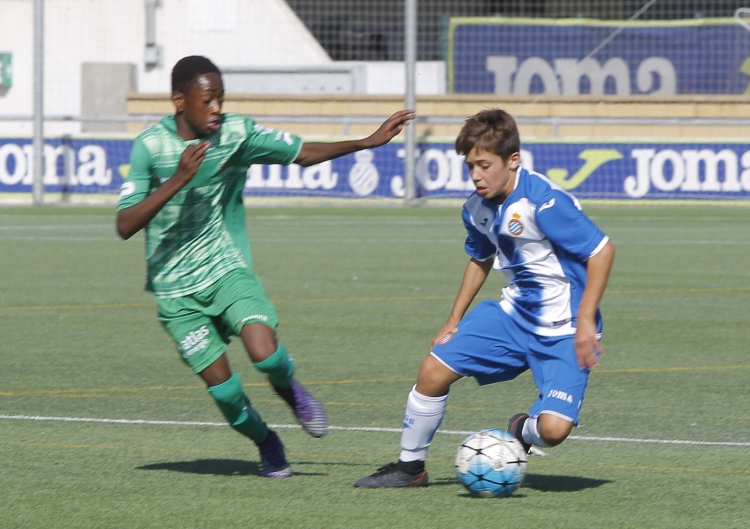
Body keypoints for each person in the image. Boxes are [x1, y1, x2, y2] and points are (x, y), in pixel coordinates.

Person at [116, 55, 414, 479]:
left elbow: (302, 153)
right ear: (179, 101)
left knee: (264, 351)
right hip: (175, 292)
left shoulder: (236, 133)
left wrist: (365, 142)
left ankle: (290, 389)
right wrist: (178, 178)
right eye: (207, 100)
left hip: (224, 269)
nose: (217, 108)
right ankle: (267, 441)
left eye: (221, 98)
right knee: (226, 390)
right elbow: (124, 224)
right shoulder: (150, 146)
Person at [354, 108, 615, 488]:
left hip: (566, 328)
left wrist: (587, 320)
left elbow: (602, 251)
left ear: (512, 161)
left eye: (484, 165)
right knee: (432, 370)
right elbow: (479, 259)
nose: (476, 174)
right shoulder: (475, 208)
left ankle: (521, 431)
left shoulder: (543, 202)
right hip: (511, 317)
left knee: (554, 430)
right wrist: (452, 320)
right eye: (470, 165)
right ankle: (410, 468)